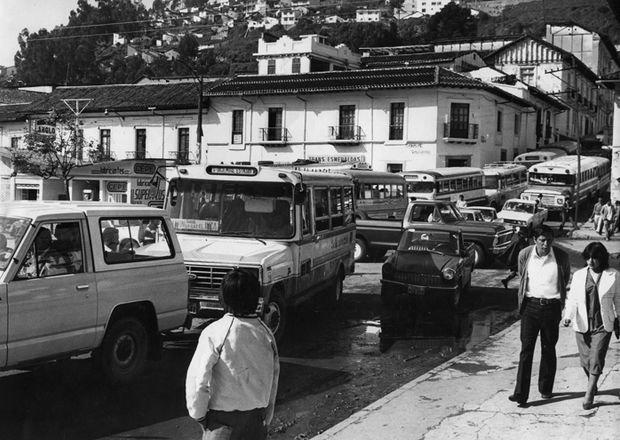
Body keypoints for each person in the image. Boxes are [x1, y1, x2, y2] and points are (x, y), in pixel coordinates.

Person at [186, 269, 280, 440]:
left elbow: (199, 380)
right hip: (256, 423)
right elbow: (274, 377)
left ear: (223, 298)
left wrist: (199, 415)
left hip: (222, 424)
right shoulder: (266, 334)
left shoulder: (215, 332)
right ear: (256, 299)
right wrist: (267, 416)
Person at [508, 224, 571, 407]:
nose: (546, 244)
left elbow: (564, 279)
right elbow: (522, 275)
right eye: (542, 240)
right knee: (526, 350)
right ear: (535, 240)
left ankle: (545, 388)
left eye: (549, 240)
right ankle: (520, 394)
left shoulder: (561, 257)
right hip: (530, 307)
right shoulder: (525, 255)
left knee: (548, 348)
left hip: (552, 308)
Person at [562, 242, 620, 410]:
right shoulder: (579, 275)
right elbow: (572, 298)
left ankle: (589, 396)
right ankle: (592, 385)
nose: (591, 262)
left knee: (596, 358)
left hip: (603, 324)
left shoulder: (613, 275)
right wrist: (568, 316)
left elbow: (618, 299)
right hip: (583, 322)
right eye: (588, 258)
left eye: (595, 258)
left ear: (602, 259)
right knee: (585, 362)